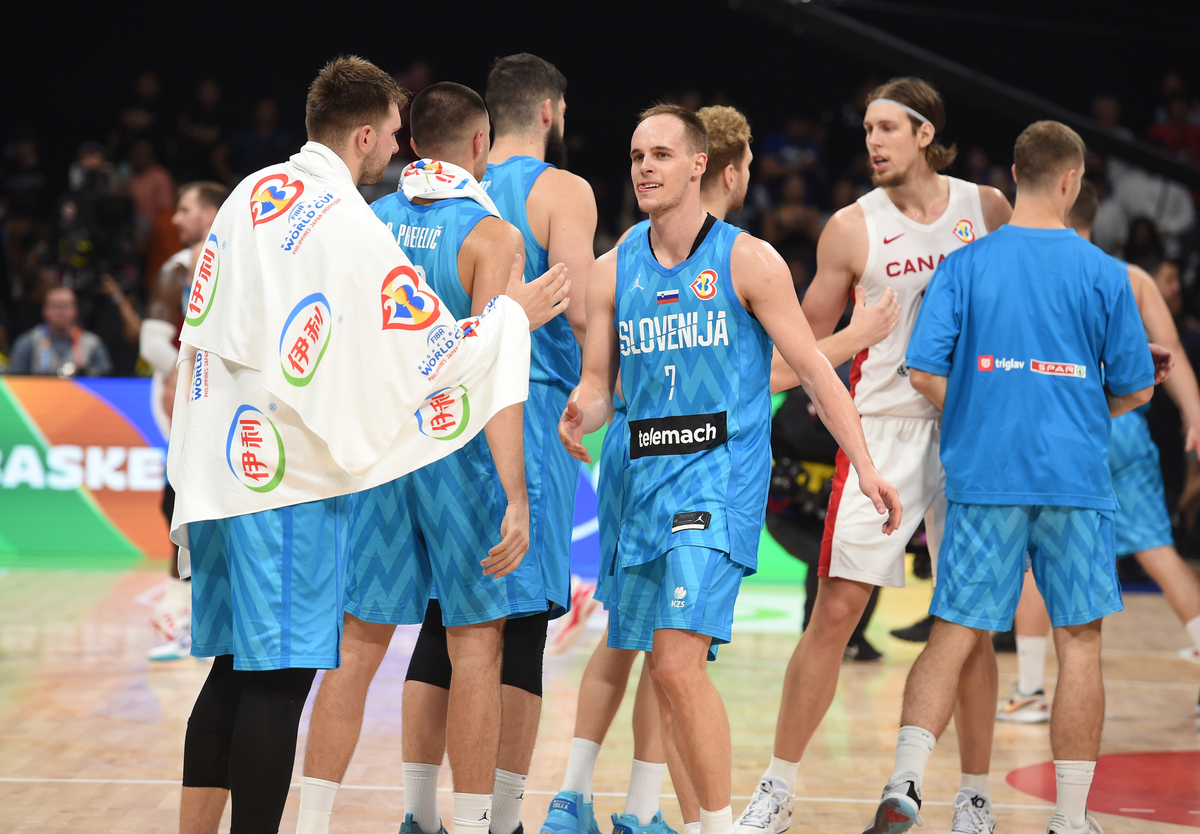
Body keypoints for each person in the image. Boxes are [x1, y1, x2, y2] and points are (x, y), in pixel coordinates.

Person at [169, 56, 568, 834]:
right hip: (290, 476)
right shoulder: (350, 221)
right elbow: (431, 357)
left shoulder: (252, 192)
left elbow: (203, 329)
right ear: (360, 135)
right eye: (388, 134)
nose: (397, 150)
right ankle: (478, 818)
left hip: (215, 469)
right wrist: (510, 318)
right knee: (283, 682)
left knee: (234, 674)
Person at [542, 103, 900, 834]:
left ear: (700, 165)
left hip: (717, 480)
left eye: (662, 154)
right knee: (653, 663)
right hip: (637, 486)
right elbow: (602, 387)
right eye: (638, 154)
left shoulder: (749, 260)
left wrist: (865, 464)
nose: (645, 166)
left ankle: (716, 824)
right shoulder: (612, 272)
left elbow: (810, 372)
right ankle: (670, 816)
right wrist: (582, 410)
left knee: (673, 664)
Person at [735, 78, 1012, 834]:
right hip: (883, 429)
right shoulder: (850, 230)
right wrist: (856, 341)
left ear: (927, 133)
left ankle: (975, 797)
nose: (874, 142)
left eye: (889, 127)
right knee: (834, 613)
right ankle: (778, 787)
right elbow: (791, 359)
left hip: (969, 431)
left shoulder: (985, 211)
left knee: (973, 623)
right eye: (867, 129)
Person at [294, 80, 568, 834]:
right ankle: (477, 826)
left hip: (381, 457)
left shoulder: (368, 219)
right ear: (480, 147)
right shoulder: (493, 236)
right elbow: (494, 380)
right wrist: (516, 493)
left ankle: (311, 824)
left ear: (411, 143)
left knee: (356, 649)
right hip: (457, 460)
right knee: (475, 648)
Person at [869, 120, 1156, 834]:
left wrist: (980, 406)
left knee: (953, 632)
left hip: (984, 474)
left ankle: (904, 783)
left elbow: (925, 370)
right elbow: (1137, 389)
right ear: (1071, 181)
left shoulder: (966, 265)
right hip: (1072, 481)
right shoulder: (1104, 274)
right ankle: (1067, 819)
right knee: (1079, 642)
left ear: (1017, 174)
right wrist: (1088, 401)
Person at [380, 53, 599, 834]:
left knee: (444, 620)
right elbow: (578, 304)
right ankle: (500, 820)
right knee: (520, 624)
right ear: (549, 111)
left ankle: (417, 813)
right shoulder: (560, 190)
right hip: (521, 411)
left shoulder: (419, 191)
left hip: (425, 416)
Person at [998, 181, 1200, 724]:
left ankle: (1031, 689)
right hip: (1126, 424)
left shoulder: (1035, 271)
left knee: (1037, 560)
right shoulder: (1129, 277)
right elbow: (1173, 350)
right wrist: (1195, 413)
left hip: (1064, 428)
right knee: (1158, 548)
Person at [124, 181, 228, 663]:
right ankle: (179, 617)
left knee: (207, 509)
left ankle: (201, 616)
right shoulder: (182, 268)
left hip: (222, 409)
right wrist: (200, 371)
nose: (174, 219)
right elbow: (151, 347)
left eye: (185, 209)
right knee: (183, 505)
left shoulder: (215, 263)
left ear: (211, 214)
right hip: (201, 405)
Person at [7, 286, 113, 376]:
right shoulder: (28, 342)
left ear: (75, 311)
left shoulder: (93, 344)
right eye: (54, 306)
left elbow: (106, 382)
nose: (60, 312)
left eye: (66, 306)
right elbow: (15, 382)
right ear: (44, 311)